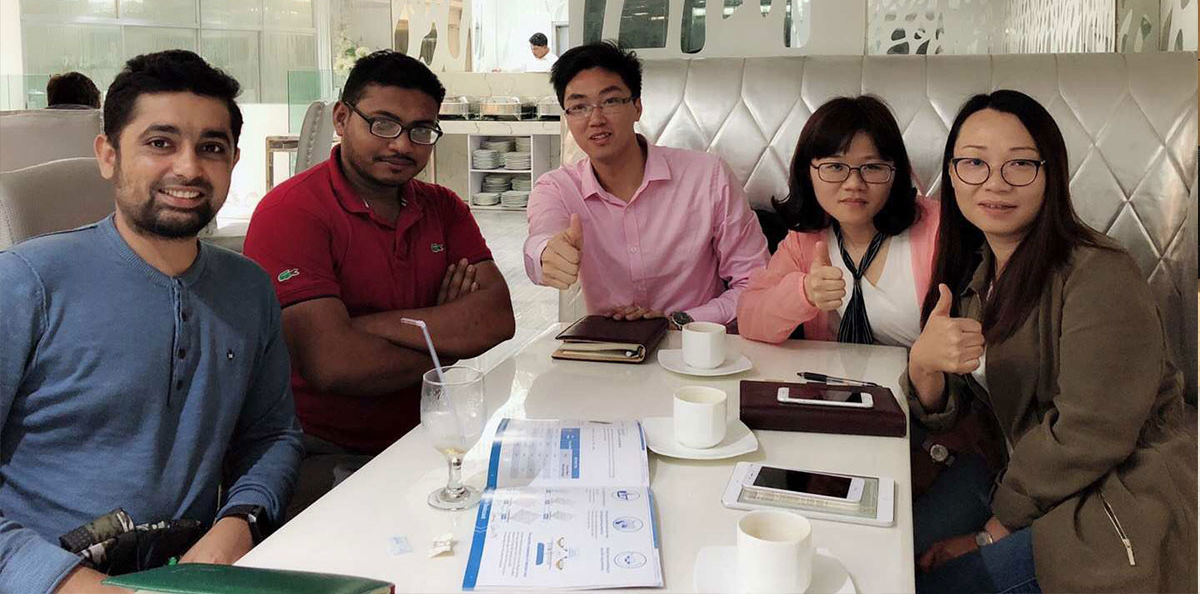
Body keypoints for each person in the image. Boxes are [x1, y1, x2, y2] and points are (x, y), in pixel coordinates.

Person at [0, 50, 302, 594]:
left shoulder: (249, 289)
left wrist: (238, 525)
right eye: (160, 143)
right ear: (108, 155)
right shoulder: (26, 284)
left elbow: (272, 434)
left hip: (191, 577)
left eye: (211, 147)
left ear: (233, 160)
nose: (188, 168)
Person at [906, 90, 1196, 593]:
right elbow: (966, 413)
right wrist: (924, 366)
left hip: (1113, 498)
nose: (995, 182)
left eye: (1020, 163)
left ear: (1051, 174)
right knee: (890, 556)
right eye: (974, 162)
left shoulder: (1099, 274)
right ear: (951, 174)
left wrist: (991, 532)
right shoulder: (978, 276)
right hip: (1017, 475)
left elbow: (1089, 433)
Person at [243, 51, 514, 507]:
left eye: (421, 130)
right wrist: (447, 338)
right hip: (320, 448)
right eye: (384, 124)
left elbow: (497, 319)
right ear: (342, 118)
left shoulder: (444, 208)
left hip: (429, 434)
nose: (402, 145)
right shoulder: (292, 212)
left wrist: (363, 326)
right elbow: (332, 364)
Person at [524, 41, 768, 326]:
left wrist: (679, 321)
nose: (596, 118)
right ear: (567, 118)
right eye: (579, 107)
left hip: (695, 344)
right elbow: (540, 238)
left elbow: (756, 283)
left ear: (637, 107)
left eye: (610, 101)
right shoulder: (557, 188)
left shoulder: (708, 177)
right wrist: (547, 254)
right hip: (611, 347)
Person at [737, 95, 938, 346]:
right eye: (835, 167)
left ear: (895, 173)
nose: (854, 184)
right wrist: (804, 293)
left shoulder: (937, 228)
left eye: (872, 167)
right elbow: (749, 318)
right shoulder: (806, 239)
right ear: (808, 173)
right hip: (834, 372)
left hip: (921, 371)